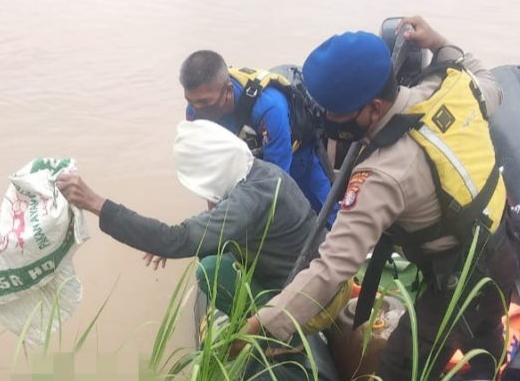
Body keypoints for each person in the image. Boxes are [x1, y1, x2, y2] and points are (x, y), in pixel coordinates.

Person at [235, 17, 518, 381]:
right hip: (501, 247)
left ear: (374, 109)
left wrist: (264, 324)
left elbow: (333, 267)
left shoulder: (383, 175)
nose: (326, 121)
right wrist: (439, 41)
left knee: (397, 372)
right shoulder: (451, 88)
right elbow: (488, 81)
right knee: (487, 328)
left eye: (333, 113)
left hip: (459, 283)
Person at [56, 120, 325, 316]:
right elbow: (210, 225)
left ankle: (267, 333)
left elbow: (178, 239)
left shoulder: (249, 200)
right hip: (307, 275)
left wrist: (95, 203)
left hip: (304, 300)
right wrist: (163, 242)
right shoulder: (260, 173)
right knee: (207, 252)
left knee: (209, 270)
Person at [179, 50, 337, 225]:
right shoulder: (194, 111)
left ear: (228, 91)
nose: (196, 110)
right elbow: (212, 175)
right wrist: (213, 224)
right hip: (249, 152)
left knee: (325, 213)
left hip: (295, 153)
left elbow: (277, 183)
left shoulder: (269, 109)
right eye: (190, 101)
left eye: (204, 102)